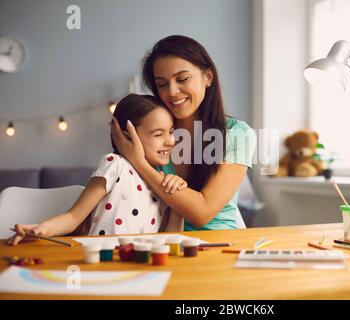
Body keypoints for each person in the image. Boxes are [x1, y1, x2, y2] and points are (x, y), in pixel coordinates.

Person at [111, 35, 256, 231]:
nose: (172, 92)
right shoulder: (151, 135)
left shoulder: (237, 134)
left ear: (208, 77)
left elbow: (202, 213)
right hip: (164, 245)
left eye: (182, 79)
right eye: (162, 84)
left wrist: (139, 162)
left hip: (220, 245)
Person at [7, 94, 186, 246]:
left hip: (140, 264)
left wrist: (179, 202)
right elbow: (73, 217)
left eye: (170, 132)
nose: (170, 141)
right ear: (127, 137)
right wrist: (40, 229)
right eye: (158, 134)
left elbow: (168, 239)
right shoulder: (115, 164)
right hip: (101, 260)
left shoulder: (163, 181)